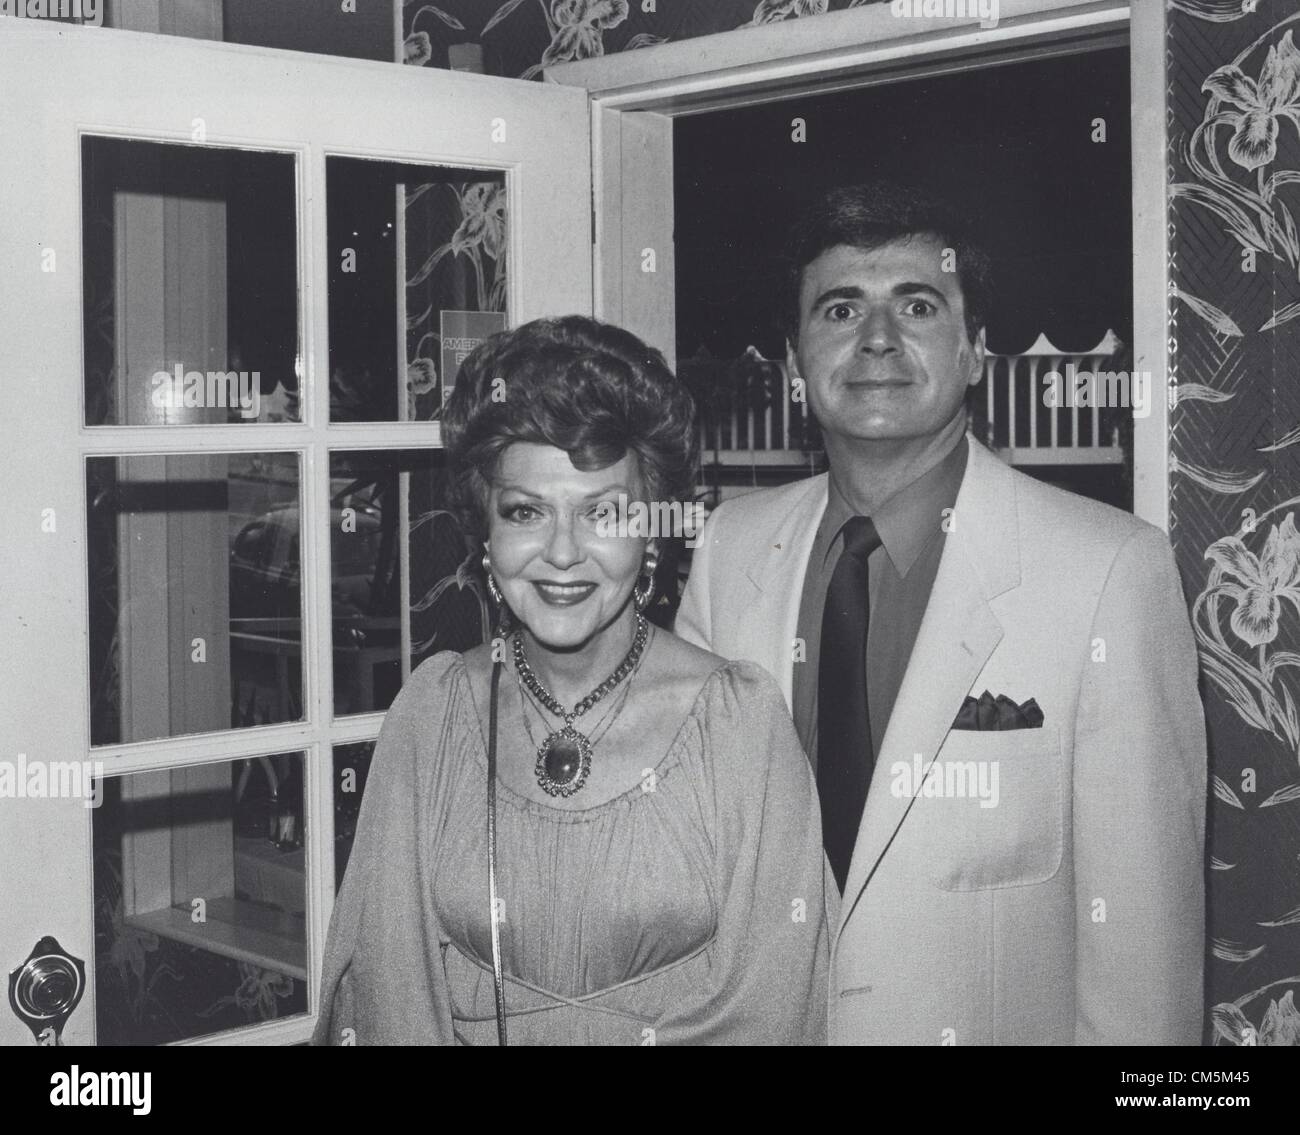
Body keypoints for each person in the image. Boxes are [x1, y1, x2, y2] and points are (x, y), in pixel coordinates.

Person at [675, 181, 1208, 1045]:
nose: (876, 337)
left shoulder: (1110, 569)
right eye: (840, 308)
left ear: (975, 353)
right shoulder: (731, 546)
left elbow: (1145, 956)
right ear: (793, 361)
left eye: (917, 305)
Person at [313, 315, 832, 1045]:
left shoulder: (740, 724)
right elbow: (389, 994)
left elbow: (778, 1007)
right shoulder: (432, 714)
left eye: (604, 512)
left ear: (651, 528)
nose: (562, 552)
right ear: (485, 534)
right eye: (525, 511)